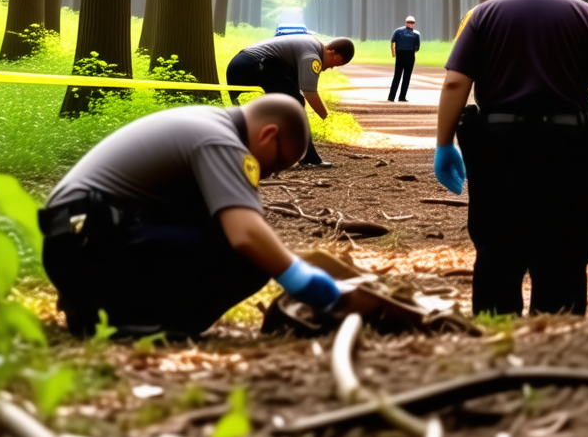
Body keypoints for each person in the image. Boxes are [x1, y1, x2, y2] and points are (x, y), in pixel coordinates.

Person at [432, 0, 588, 317]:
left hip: (498, 145)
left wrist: (444, 144)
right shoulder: (585, 15)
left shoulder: (482, 15)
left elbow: (456, 82)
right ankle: (557, 343)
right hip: (567, 146)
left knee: (497, 247)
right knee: (564, 248)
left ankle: (496, 337)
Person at [39, 94, 342, 338]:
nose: (269, 174)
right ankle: (133, 321)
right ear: (268, 134)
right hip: (87, 241)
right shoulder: (221, 141)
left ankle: (96, 308)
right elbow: (245, 233)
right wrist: (302, 280)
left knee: (211, 233)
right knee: (246, 260)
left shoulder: (208, 122)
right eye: (276, 163)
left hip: (78, 239)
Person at [225, 35, 355, 168]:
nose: (331, 67)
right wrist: (325, 116)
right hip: (253, 66)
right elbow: (309, 92)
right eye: (336, 62)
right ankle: (308, 156)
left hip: (241, 65)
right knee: (295, 104)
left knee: (284, 105)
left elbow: (295, 84)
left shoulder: (310, 44)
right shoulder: (312, 56)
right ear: (331, 51)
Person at [388, 16, 421, 102]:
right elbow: (417, 47)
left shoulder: (414, 33)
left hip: (406, 54)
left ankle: (398, 97)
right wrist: (395, 54)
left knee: (404, 76)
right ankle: (395, 97)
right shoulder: (400, 31)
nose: (410, 24)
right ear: (406, 22)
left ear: (414, 23)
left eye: (412, 22)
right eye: (409, 22)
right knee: (399, 76)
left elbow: (417, 46)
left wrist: (395, 54)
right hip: (404, 54)